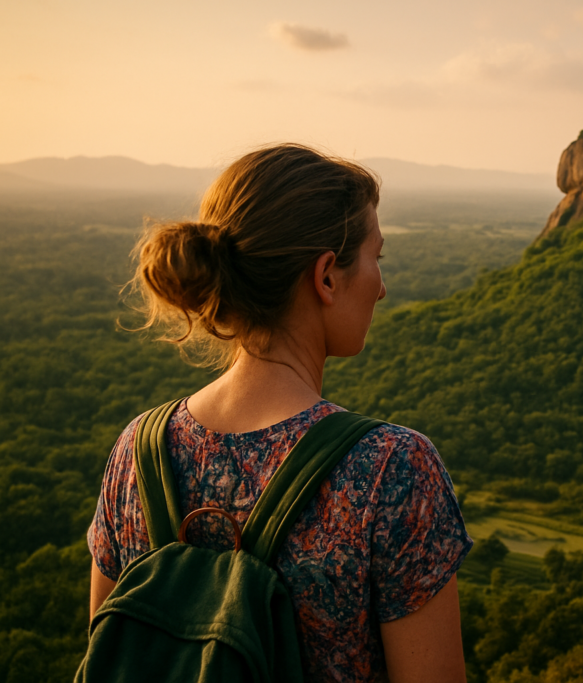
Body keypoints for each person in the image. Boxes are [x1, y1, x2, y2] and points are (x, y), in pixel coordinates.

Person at [86, 144, 473, 683]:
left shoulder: (139, 450)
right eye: (375, 259)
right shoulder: (393, 470)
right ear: (326, 278)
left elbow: (110, 653)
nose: (381, 288)